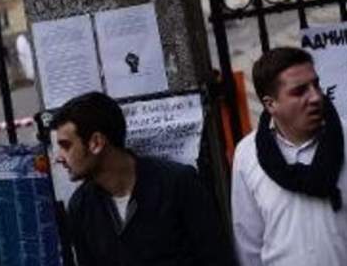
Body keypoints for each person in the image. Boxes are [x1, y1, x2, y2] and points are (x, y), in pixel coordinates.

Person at [231, 47, 347, 266]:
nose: (315, 97)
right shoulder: (247, 155)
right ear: (271, 104)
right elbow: (248, 243)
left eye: (315, 85)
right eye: (300, 91)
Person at [51, 92, 235, 266]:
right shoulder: (81, 208)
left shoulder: (177, 183)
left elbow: (217, 258)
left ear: (96, 143)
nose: (58, 157)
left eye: (66, 146)